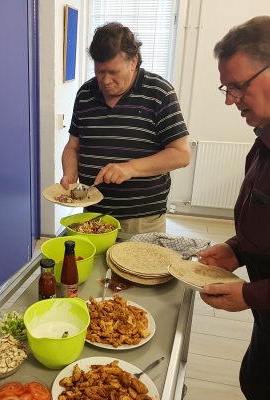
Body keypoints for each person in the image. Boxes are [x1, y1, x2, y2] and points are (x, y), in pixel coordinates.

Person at [198, 16, 270, 399]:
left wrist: (250, 296)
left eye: (239, 86)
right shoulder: (262, 143)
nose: (230, 100)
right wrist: (237, 249)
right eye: (226, 88)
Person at [60, 22, 190, 234]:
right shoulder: (85, 94)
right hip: (91, 213)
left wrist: (130, 168)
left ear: (133, 61)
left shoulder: (159, 93)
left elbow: (181, 155)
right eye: (100, 71)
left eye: (113, 72)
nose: (105, 80)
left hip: (141, 220)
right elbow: (73, 147)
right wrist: (70, 174)